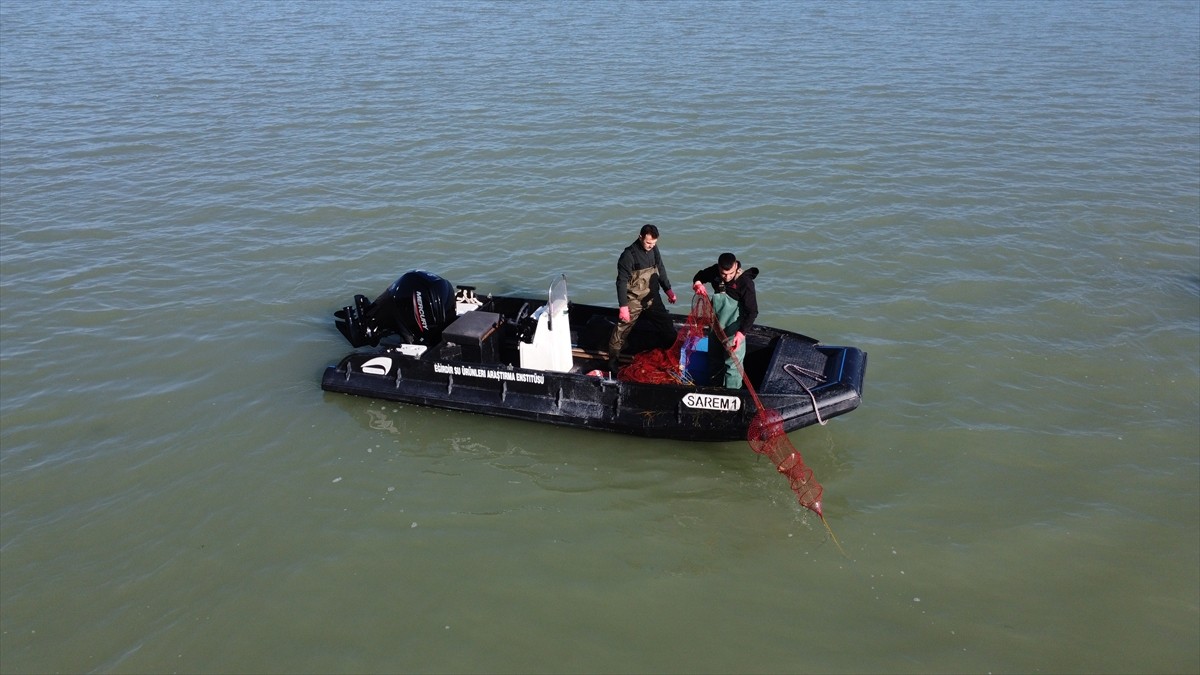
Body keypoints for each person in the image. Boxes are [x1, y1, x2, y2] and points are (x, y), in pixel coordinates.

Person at [607, 224, 677, 374]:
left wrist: (668, 290)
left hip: (652, 297)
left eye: (654, 243)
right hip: (634, 299)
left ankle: (667, 353)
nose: (651, 246)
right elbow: (621, 282)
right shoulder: (628, 255)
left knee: (668, 326)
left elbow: (661, 269)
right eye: (648, 243)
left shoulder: (654, 250)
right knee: (621, 331)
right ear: (640, 237)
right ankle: (613, 360)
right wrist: (623, 306)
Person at [692, 253, 758, 389]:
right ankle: (715, 390)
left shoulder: (745, 282)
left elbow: (753, 312)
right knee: (714, 359)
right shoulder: (714, 271)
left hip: (735, 329)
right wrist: (697, 284)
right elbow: (699, 276)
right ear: (719, 268)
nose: (727, 277)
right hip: (716, 325)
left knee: (732, 364)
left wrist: (741, 334)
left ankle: (732, 394)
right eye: (723, 274)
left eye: (730, 274)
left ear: (736, 266)